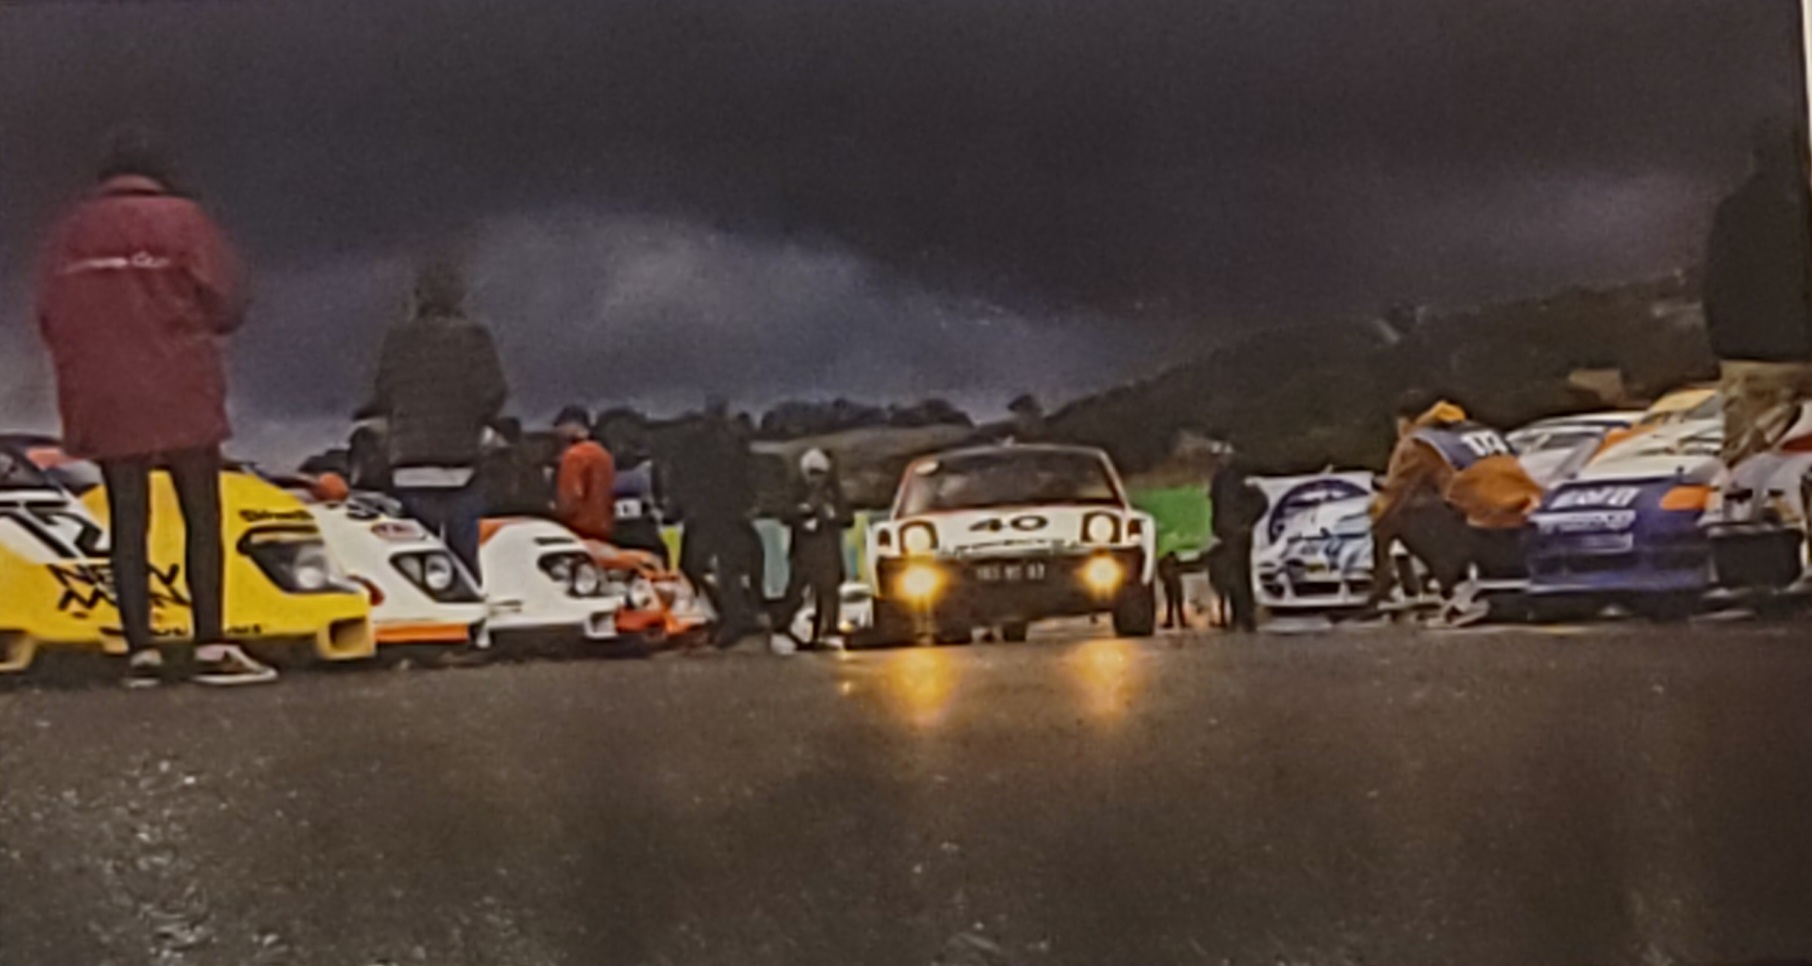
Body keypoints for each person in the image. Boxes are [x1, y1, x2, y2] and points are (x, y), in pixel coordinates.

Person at [32, 128, 275, 686]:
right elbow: (228, 302)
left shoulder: (69, 234)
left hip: (103, 393)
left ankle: (141, 649)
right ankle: (211, 643)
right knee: (201, 515)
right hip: (181, 384)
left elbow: (48, 313)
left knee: (128, 520)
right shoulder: (185, 222)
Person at [368, 258, 508, 581]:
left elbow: (382, 394)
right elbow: (494, 392)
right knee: (464, 561)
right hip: (460, 463)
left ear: (418, 297)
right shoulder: (474, 337)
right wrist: (475, 422)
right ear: (458, 296)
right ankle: (467, 606)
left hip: (409, 465)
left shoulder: (397, 341)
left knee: (417, 564)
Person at [1366, 390, 1543, 627]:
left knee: (1402, 515)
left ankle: (1453, 585)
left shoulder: (1418, 442)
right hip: (1530, 516)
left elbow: (1391, 498)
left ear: (1405, 421)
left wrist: (1378, 559)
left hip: (1487, 525)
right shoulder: (1481, 430)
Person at [1703, 120, 1812, 468]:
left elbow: (1716, 288)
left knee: (1750, 476)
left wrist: (1729, 347)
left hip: (1753, 363)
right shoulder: (1797, 207)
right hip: (1766, 363)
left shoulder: (1736, 211)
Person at [669, 400, 761, 647]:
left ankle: (727, 616)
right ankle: (729, 614)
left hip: (710, 516)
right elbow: (747, 480)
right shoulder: (734, 442)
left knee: (705, 568)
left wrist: (679, 507)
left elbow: (683, 479)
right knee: (717, 569)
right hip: (724, 516)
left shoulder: (696, 443)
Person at [781, 449, 851, 649]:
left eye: (819, 473)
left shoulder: (833, 494)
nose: (816, 479)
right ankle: (784, 627)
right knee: (796, 593)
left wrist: (831, 515)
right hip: (804, 555)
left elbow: (848, 518)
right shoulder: (797, 493)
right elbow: (785, 514)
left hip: (827, 555)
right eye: (812, 473)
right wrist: (803, 514)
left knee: (828, 594)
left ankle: (828, 631)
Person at [1207, 452, 1268, 633]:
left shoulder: (1236, 478)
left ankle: (1245, 617)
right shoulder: (1221, 479)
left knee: (1239, 576)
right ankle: (1240, 616)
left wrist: (1247, 522)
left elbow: (1261, 500)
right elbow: (1216, 505)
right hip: (1228, 533)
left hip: (1237, 534)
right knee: (1234, 575)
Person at [598, 410, 670, 563]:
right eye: (615, 437)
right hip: (606, 539)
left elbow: (665, 502)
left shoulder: (652, 467)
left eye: (626, 436)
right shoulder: (595, 466)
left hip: (646, 537)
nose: (621, 446)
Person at [552, 405, 616, 541]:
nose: (557, 431)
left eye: (561, 426)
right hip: (604, 531)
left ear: (572, 426)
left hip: (579, 533)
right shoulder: (603, 454)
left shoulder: (574, 456)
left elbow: (570, 502)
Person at [1157, 552, 1188, 630]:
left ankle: (1173, 619)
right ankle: (1180, 620)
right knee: (1176, 596)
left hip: (1168, 571)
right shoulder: (1170, 558)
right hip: (1171, 571)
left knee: (1171, 597)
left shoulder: (1164, 558)